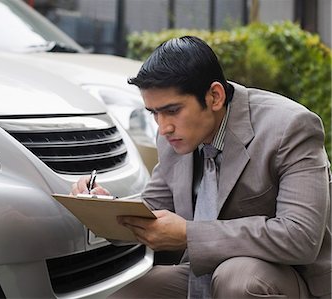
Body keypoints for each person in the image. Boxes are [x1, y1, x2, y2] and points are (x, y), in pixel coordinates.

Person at [71, 36, 331, 298]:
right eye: (154, 113)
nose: (163, 127)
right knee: (129, 295)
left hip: (290, 279)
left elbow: (300, 237)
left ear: (215, 96)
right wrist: (105, 208)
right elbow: (154, 211)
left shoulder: (290, 128)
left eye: (172, 110)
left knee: (236, 280)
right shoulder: (173, 137)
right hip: (205, 272)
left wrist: (190, 235)